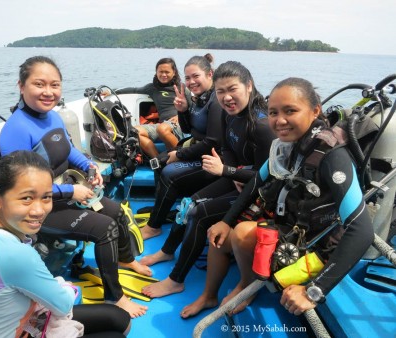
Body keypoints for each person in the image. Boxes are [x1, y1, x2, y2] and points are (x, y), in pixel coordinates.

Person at [181, 77, 374, 319]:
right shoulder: (285, 146)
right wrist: (226, 221)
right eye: (272, 112)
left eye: (290, 111)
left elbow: (362, 230)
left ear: (315, 111)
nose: (279, 120)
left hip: (312, 246)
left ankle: (245, 286)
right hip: (288, 227)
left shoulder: (333, 157)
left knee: (242, 234)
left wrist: (315, 290)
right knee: (218, 232)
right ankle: (208, 295)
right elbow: (254, 184)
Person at [0, 56, 148, 318]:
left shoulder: (52, 117)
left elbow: (68, 151)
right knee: (104, 228)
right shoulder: (16, 129)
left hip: (61, 196)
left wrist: (90, 168)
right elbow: (22, 191)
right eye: (39, 84)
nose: (48, 92)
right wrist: (71, 192)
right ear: (21, 86)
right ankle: (115, 297)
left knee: (114, 210)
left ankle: (126, 258)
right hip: (36, 210)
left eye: (54, 85)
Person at [0, 151, 131, 338]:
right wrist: (65, 286)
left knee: (119, 318)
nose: (39, 211)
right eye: (26, 198)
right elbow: (63, 305)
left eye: (46, 197)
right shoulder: (14, 254)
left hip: (15, 325)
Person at [141, 61, 276, 299]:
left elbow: (268, 178)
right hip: (238, 177)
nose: (227, 97)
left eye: (233, 89)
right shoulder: (230, 114)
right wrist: (232, 170)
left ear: (249, 86)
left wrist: (229, 171)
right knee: (188, 205)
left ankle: (175, 280)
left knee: (199, 213)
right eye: (221, 91)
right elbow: (227, 148)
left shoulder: (262, 126)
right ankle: (168, 251)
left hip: (258, 191)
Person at [139, 53, 224, 240]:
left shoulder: (215, 101)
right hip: (199, 149)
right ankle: (160, 209)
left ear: (210, 74)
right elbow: (188, 129)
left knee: (169, 172)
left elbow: (213, 142)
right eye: (188, 78)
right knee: (158, 163)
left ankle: (154, 226)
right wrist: (183, 110)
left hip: (213, 158)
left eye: (196, 76)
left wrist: (180, 155)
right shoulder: (198, 98)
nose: (191, 82)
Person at [114, 57, 191, 158]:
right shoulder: (152, 88)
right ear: (156, 72)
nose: (163, 75)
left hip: (180, 124)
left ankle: (180, 156)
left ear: (174, 73)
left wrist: (179, 115)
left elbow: (193, 107)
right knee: (134, 132)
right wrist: (113, 91)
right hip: (163, 125)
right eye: (161, 72)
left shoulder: (182, 88)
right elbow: (134, 89)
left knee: (162, 129)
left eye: (167, 72)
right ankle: (158, 161)